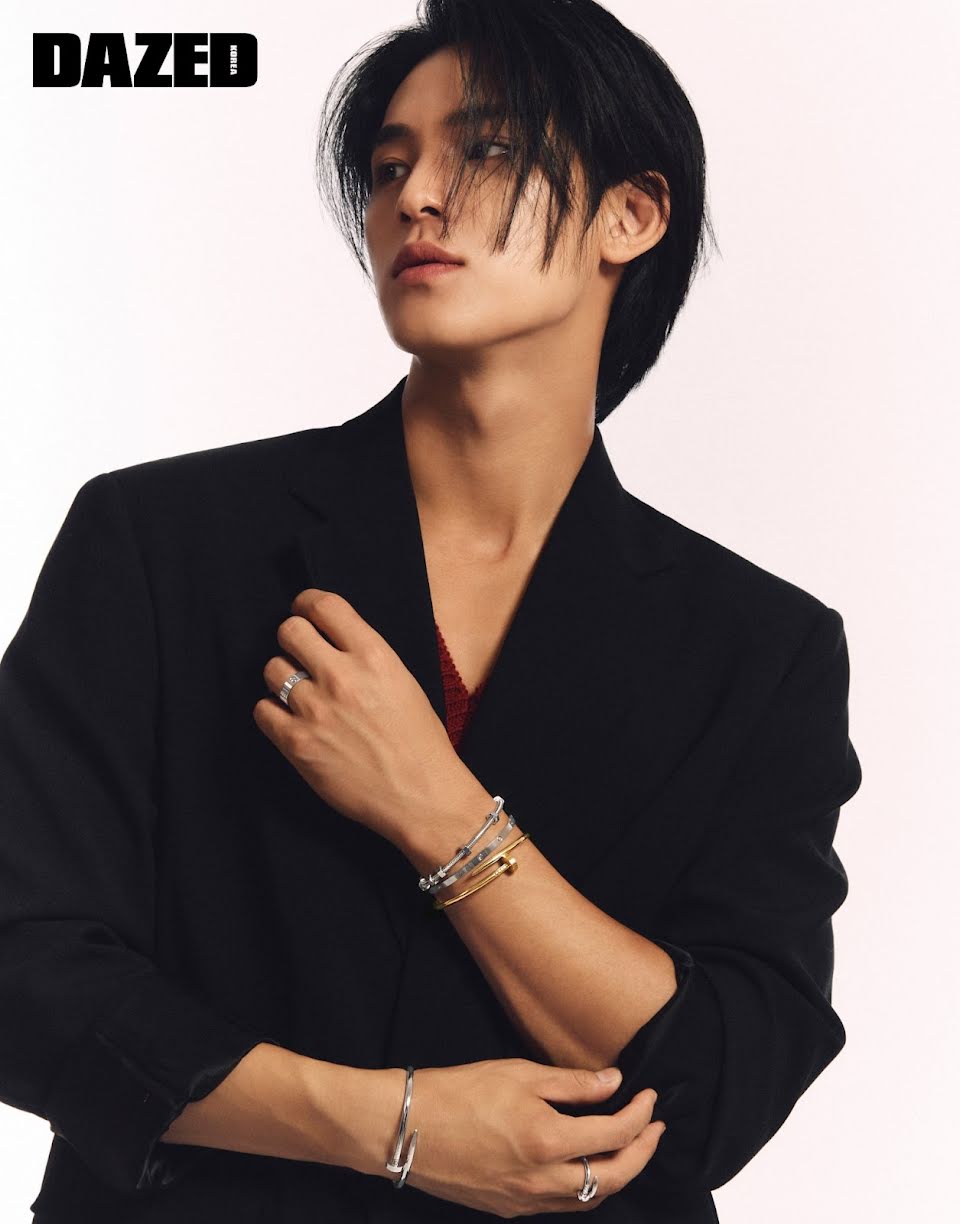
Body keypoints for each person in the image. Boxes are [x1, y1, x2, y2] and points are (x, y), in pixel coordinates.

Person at [0, 2, 862, 1221]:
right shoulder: (159, 544)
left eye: (488, 149)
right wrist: (392, 1126)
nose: (415, 195)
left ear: (632, 214)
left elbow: (724, 1079)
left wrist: (439, 813)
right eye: (388, 165)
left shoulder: (760, 649)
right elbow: (24, 968)